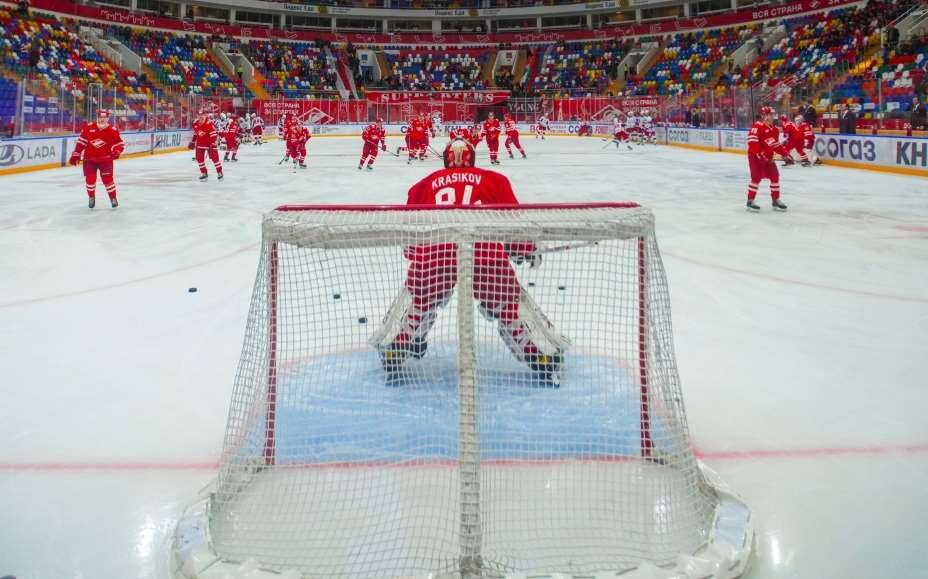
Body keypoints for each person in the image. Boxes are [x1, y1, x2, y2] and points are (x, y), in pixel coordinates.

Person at [372, 138, 568, 384]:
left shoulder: (422, 185)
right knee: (508, 304)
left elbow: (411, 237)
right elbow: (513, 222)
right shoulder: (494, 180)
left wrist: (416, 257)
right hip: (483, 252)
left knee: (418, 300)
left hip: (436, 252)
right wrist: (523, 248)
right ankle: (543, 356)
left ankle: (396, 347)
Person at [69, 109, 124, 209]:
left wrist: (117, 150)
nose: (102, 120)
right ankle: (91, 197)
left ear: (107, 118)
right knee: (90, 180)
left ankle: (113, 198)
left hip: (105, 160)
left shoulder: (113, 130)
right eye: (100, 118)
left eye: (104, 118)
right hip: (89, 160)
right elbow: (81, 143)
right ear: (97, 118)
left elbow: (120, 144)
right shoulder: (88, 128)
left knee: (108, 180)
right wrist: (76, 153)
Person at [746, 106, 788, 212]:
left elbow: (775, 145)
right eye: (770, 114)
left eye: (772, 114)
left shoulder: (774, 130)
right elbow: (753, 144)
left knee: (775, 176)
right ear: (764, 116)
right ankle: (750, 201)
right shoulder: (757, 126)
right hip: (756, 157)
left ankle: (775, 200)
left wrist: (785, 154)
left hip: (768, 158)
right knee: (756, 178)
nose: (772, 116)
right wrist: (762, 156)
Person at [189, 111, 223, 181]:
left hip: (210, 144)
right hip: (200, 144)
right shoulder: (195, 123)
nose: (200, 116)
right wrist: (193, 141)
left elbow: (213, 134)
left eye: (202, 115)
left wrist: (214, 142)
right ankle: (204, 173)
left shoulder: (209, 123)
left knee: (215, 159)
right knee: (199, 159)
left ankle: (219, 172)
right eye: (199, 115)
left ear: (205, 115)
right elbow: (196, 133)